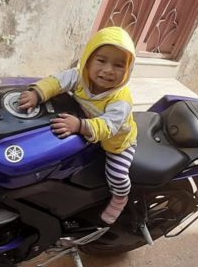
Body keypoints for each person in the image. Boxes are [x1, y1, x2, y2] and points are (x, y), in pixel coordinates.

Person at [18, 26, 137, 225]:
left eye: (119, 65)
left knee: (117, 175)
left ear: (128, 70)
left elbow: (108, 127)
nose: (108, 70)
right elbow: (57, 82)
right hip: (86, 127)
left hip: (116, 143)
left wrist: (80, 125)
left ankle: (120, 197)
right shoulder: (79, 76)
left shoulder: (120, 100)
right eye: (101, 60)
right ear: (88, 60)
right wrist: (37, 93)